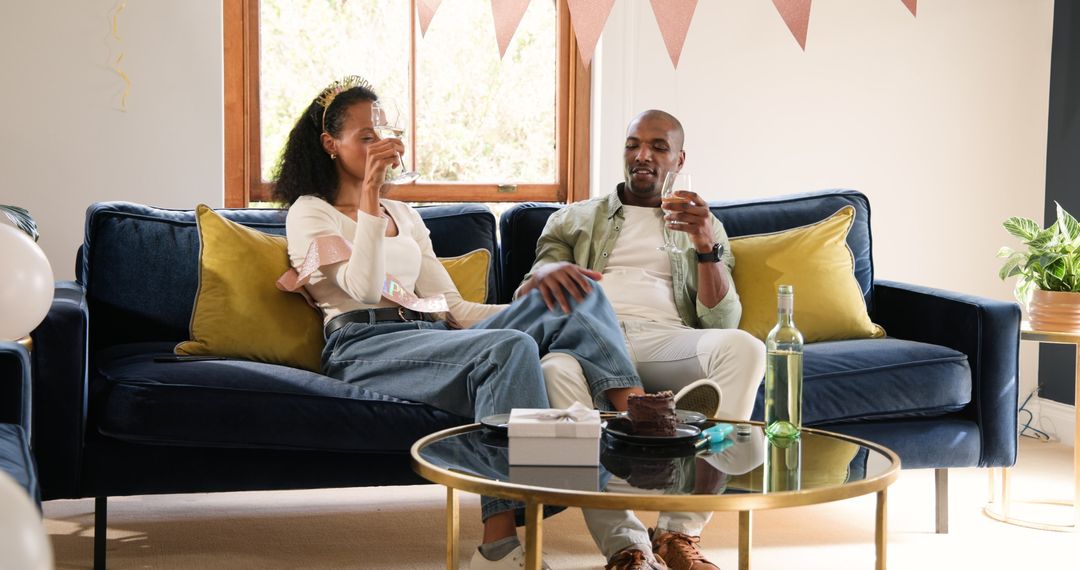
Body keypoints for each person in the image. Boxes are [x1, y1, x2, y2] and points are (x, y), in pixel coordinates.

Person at [273, 75, 649, 569]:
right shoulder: (310, 213)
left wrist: (528, 299)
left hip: (432, 335)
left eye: (382, 133)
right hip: (363, 345)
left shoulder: (405, 216)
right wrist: (367, 194)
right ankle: (498, 548)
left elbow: (453, 309)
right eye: (365, 136)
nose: (380, 144)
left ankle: (643, 425)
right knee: (509, 348)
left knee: (577, 292)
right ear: (330, 144)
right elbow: (363, 289)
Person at [517, 110, 767, 570]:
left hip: (666, 340)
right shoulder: (573, 219)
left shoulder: (703, 223)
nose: (642, 155)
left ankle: (678, 532)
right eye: (633, 144)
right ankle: (626, 546)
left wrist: (705, 244)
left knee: (746, 348)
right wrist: (546, 270)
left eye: (657, 146)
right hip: (588, 343)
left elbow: (723, 319)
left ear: (679, 159)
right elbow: (531, 291)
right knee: (552, 370)